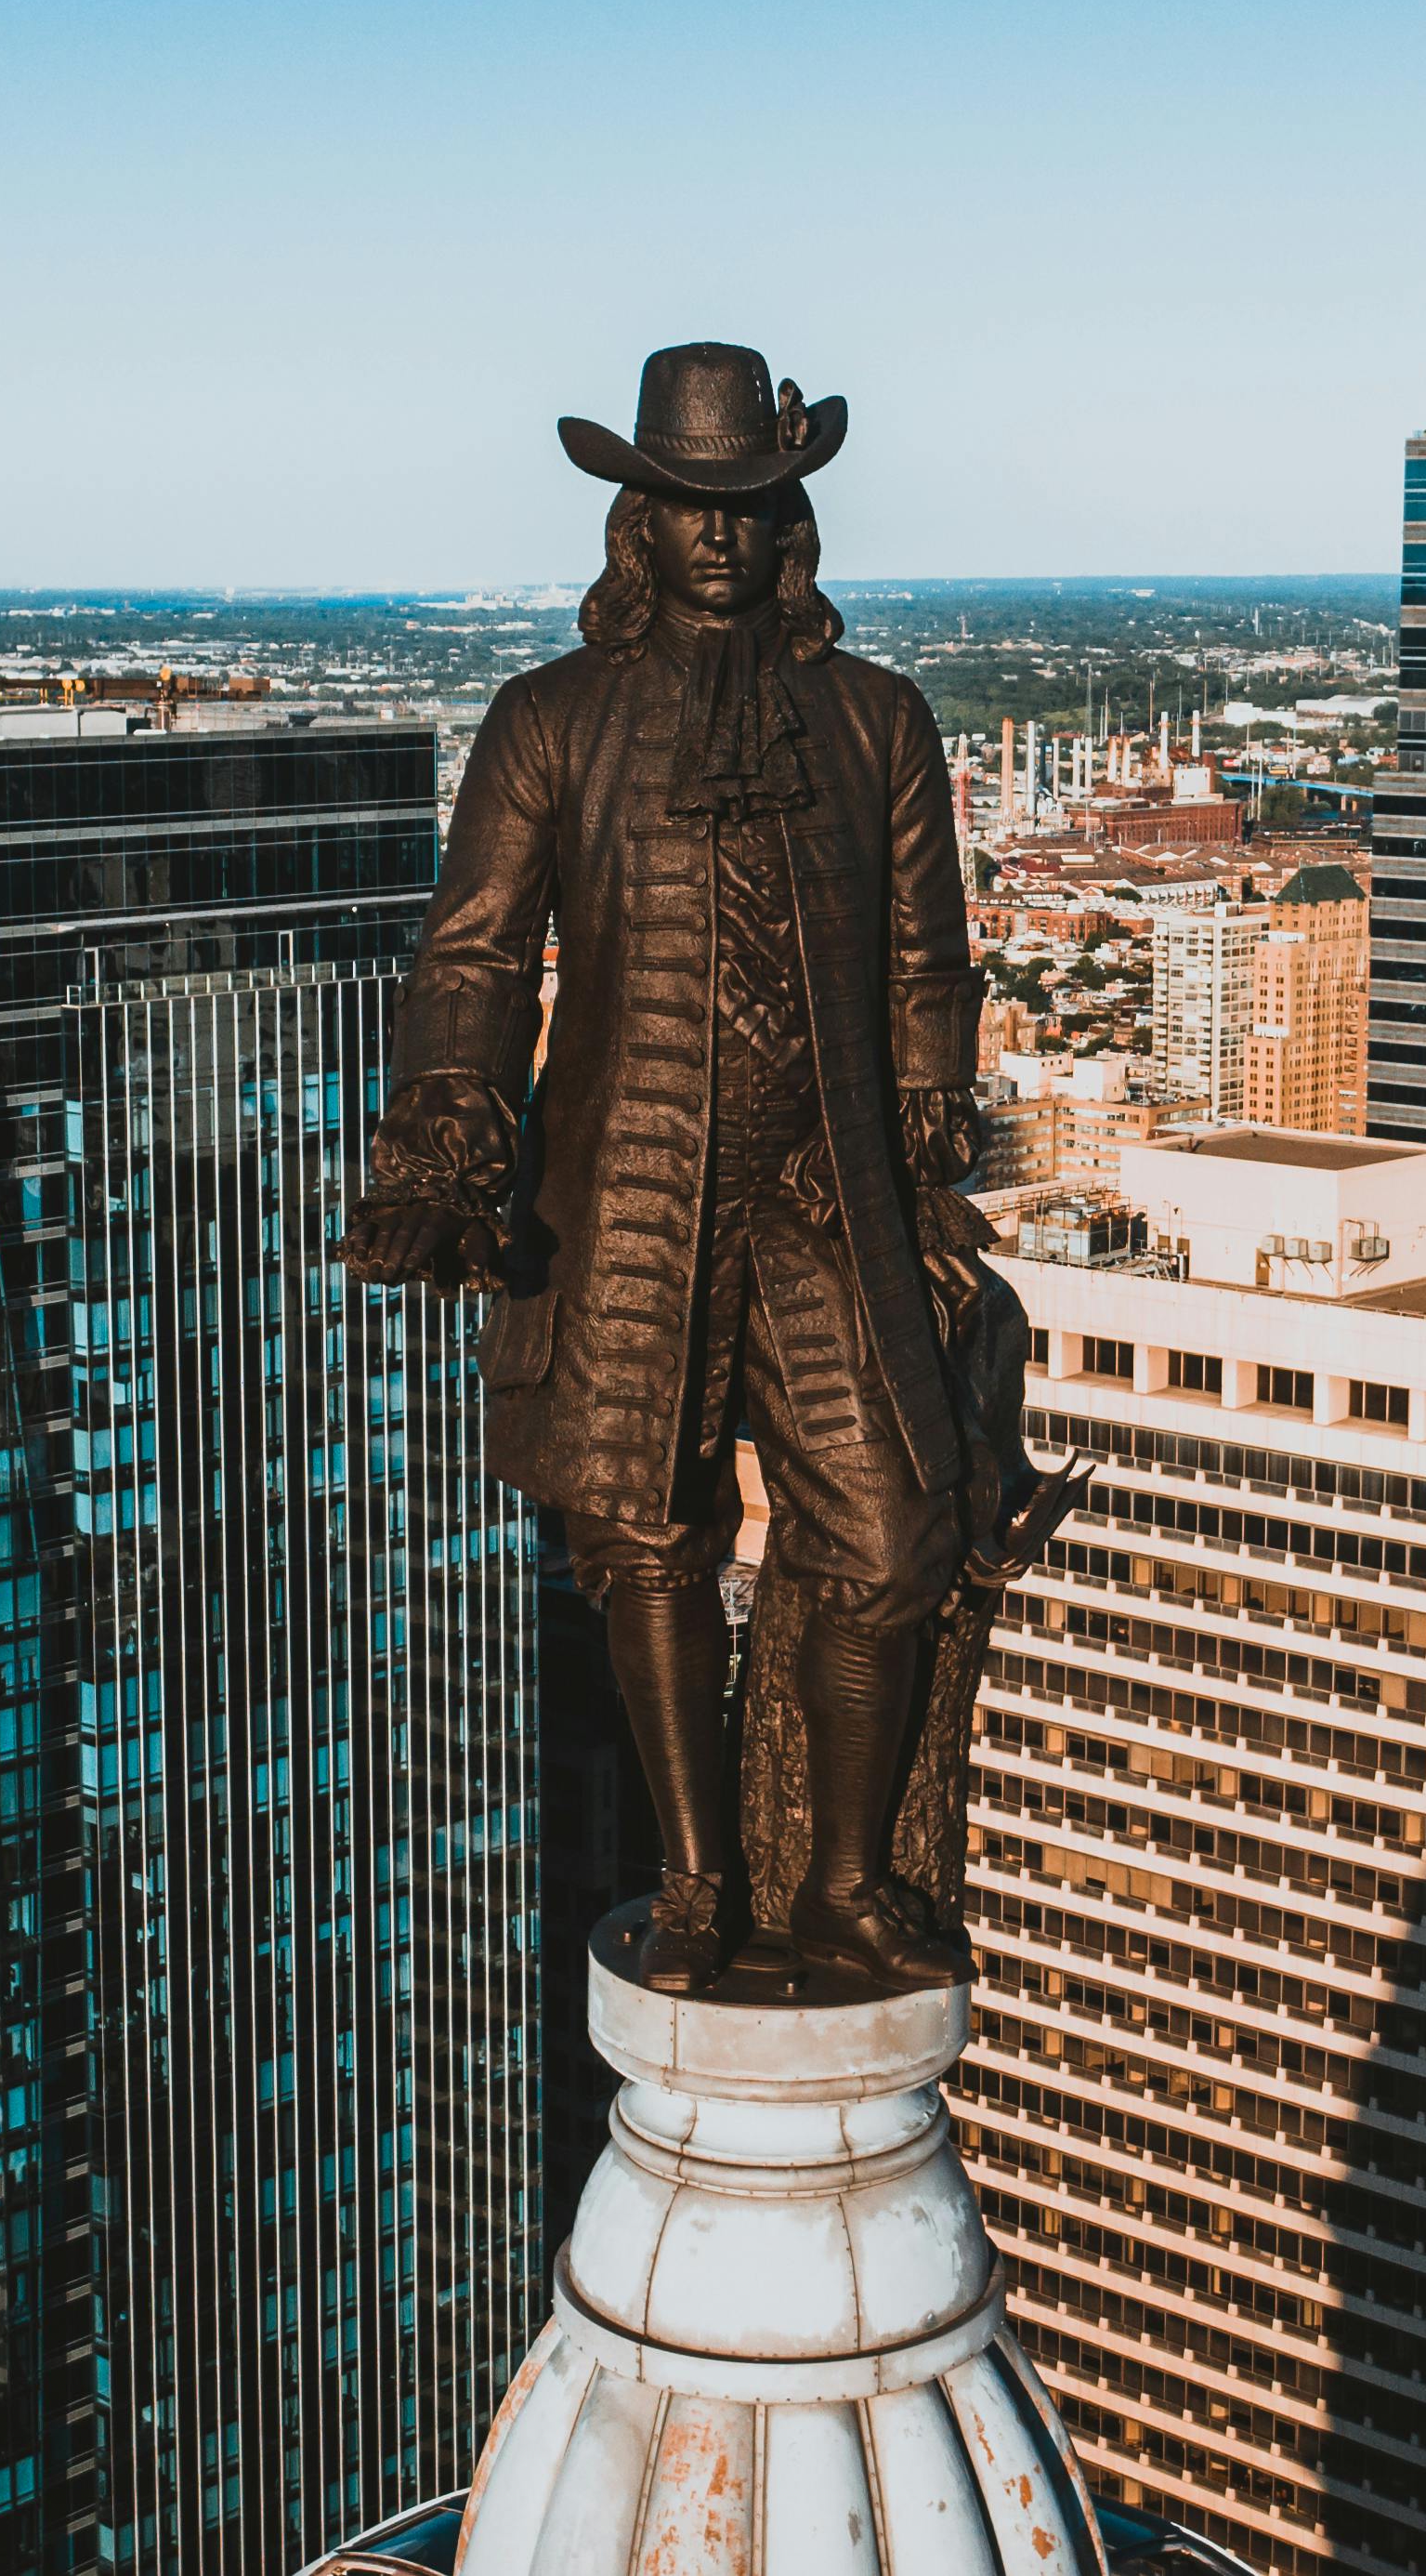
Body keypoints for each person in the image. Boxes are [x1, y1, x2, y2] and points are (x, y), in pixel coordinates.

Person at [342, 343, 988, 1994]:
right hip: (627, 1180)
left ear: (792, 522)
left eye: (751, 505)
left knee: (895, 1523)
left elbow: (927, 967)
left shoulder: (874, 722)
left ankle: (841, 1878)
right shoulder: (550, 722)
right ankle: (698, 1874)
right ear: (638, 519)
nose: (720, 535)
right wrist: (451, 1128)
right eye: (689, 505)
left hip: (825, 1182)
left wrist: (928, 1140)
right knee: (644, 1533)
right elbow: (477, 956)